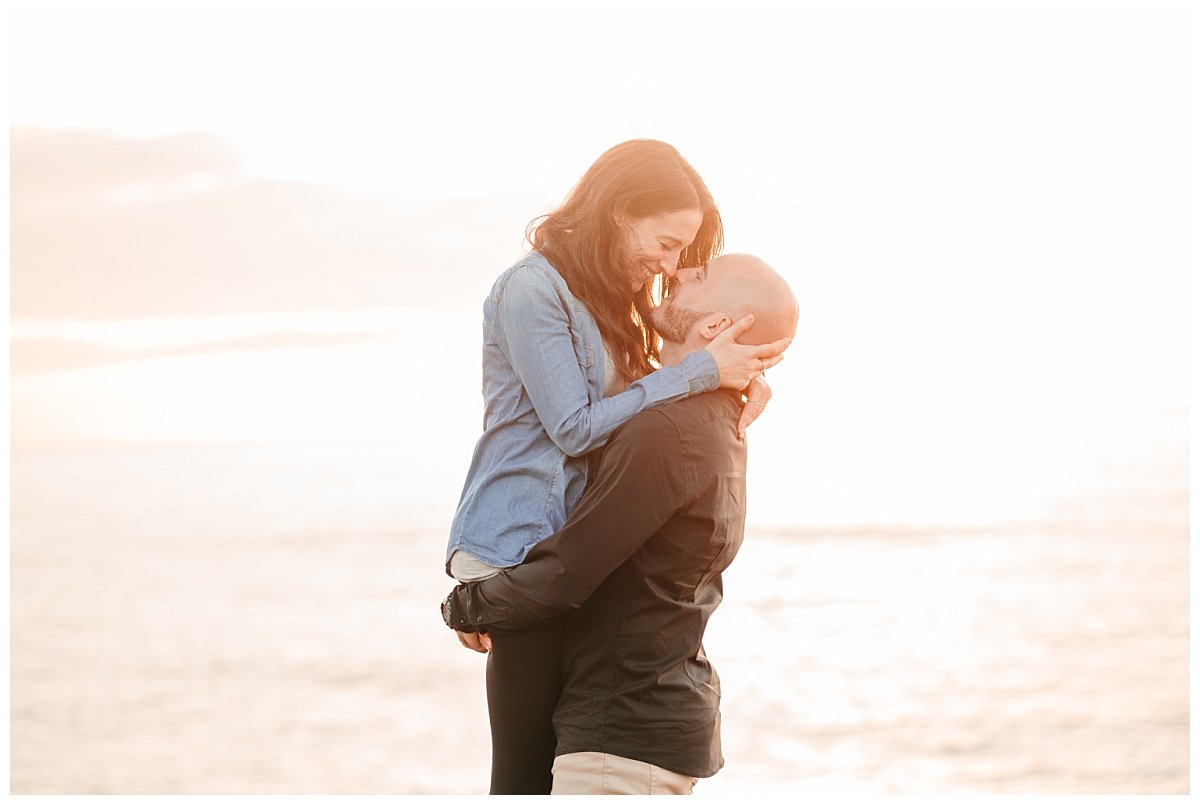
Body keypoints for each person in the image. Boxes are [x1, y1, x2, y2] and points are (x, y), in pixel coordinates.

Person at [444, 140, 791, 794]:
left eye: (680, 255)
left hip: (556, 551)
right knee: (520, 778)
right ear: (619, 211)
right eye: (664, 244)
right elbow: (576, 429)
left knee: (541, 774)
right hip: (519, 547)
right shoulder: (533, 289)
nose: (667, 266)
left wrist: (727, 384)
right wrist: (699, 374)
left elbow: (642, 417)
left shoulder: (611, 301)